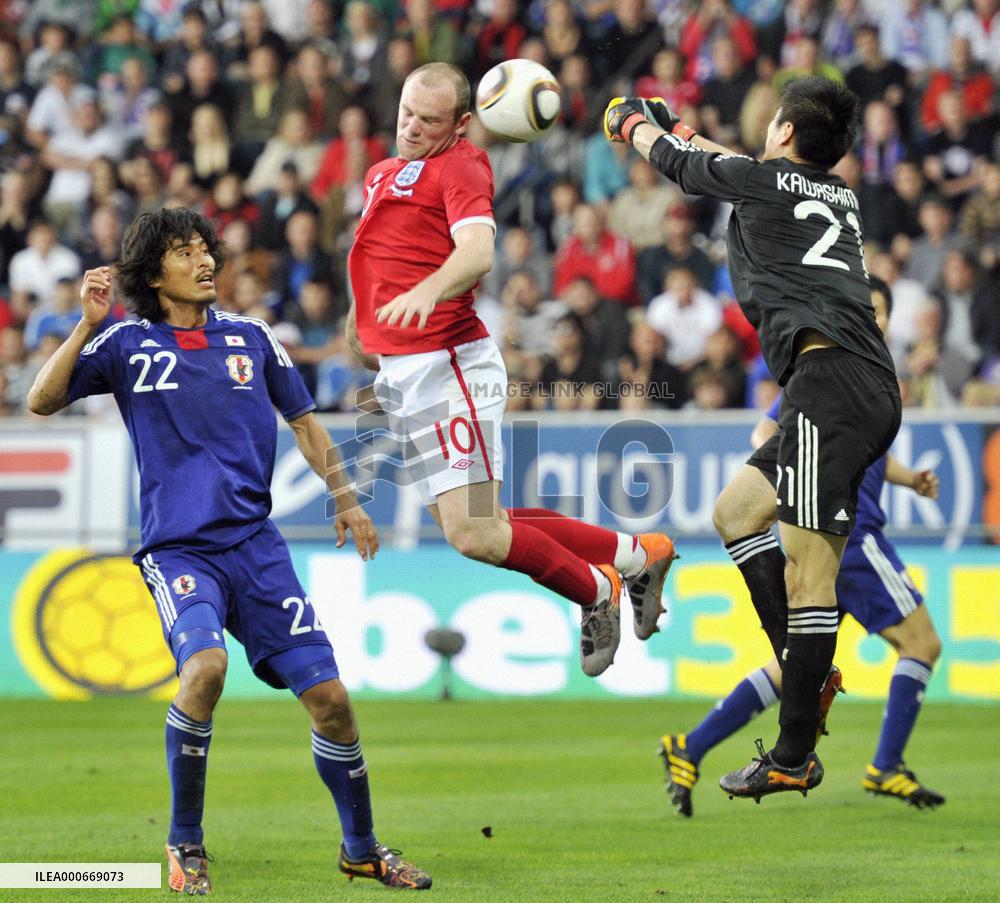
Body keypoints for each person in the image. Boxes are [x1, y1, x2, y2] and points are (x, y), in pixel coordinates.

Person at [26, 207, 431, 893]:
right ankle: (186, 842)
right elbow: (41, 399)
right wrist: (87, 325)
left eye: (205, 249)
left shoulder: (252, 337)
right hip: (180, 551)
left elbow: (304, 422)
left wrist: (346, 496)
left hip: (256, 548)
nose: (205, 260)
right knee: (205, 668)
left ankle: (360, 847)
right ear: (155, 274)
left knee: (332, 699)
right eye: (185, 253)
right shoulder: (126, 344)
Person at [604, 77, 901, 800]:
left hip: (832, 386)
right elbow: (735, 165)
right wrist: (678, 126)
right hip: (841, 383)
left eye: (772, 122)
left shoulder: (768, 184)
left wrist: (633, 126)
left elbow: (685, 166)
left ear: (787, 133)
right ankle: (804, 669)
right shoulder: (835, 196)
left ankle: (796, 748)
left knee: (810, 576)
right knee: (737, 513)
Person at [346, 62, 677, 678]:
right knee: (484, 524)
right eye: (406, 113)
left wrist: (431, 290)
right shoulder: (380, 175)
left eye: (429, 120)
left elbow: (477, 252)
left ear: (462, 124)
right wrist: (357, 323)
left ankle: (595, 590)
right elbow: (377, 259)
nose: (412, 127)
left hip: (449, 366)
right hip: (402, 375)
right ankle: (638, 554)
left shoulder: (463, 164)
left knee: (471, 533)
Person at [659, 278, 945, 816]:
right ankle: (885, 765)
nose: (876, 321)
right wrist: (798, 474)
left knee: (795, 669)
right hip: (850, 538)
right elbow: (765, 432)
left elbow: (873, 458)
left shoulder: (861, 370)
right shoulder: (832, 368)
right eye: (871, 310)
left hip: (840, 531)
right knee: (922, 645)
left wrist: (909, 481)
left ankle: (690, 746)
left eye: (881, 312)